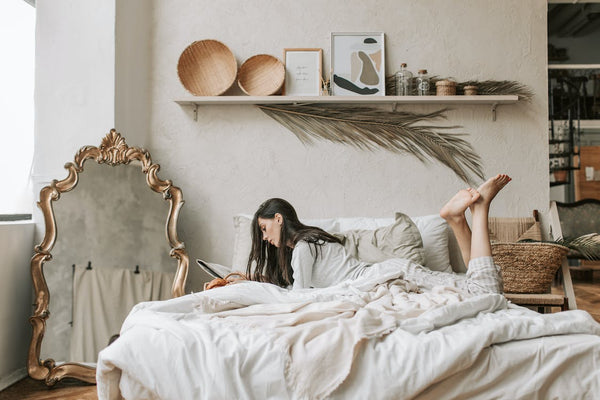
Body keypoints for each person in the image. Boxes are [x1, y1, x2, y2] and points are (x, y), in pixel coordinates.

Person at [247, 174, 511, 294]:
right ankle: (456, 220)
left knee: (486, 291)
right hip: (385, 274)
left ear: (279, 219)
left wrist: (256, 290)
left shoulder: (304, 248)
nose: (265, 238)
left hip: (386, 275)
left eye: (264, 228)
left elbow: (300, 296)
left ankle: (480, 208)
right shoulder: (314, 239)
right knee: (479, 289)